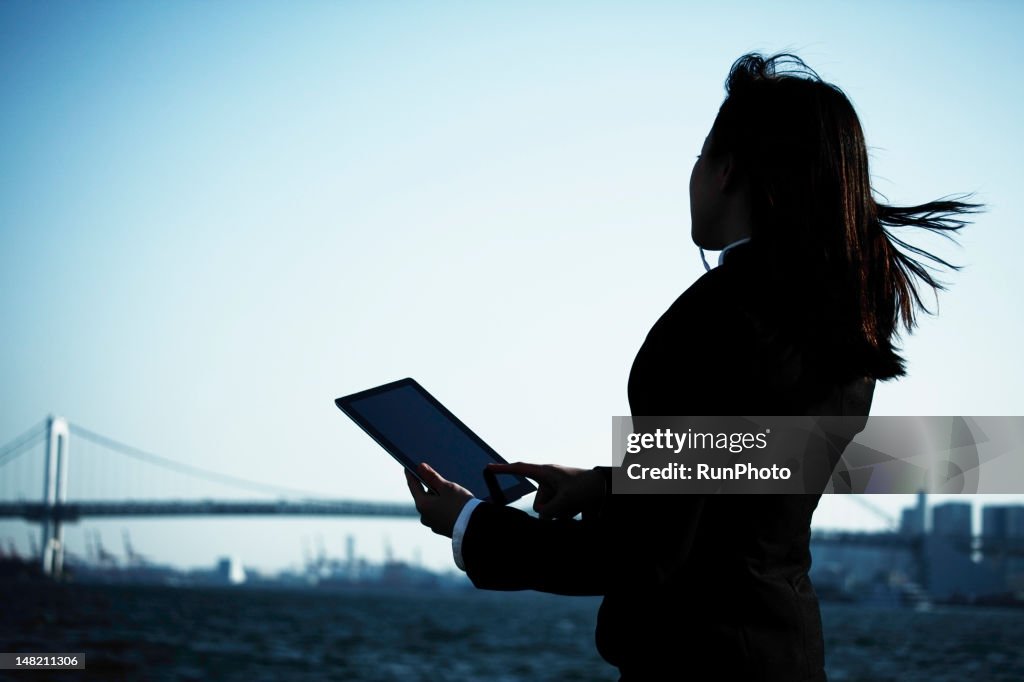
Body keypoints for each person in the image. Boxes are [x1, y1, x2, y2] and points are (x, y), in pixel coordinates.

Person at [405, 53, 980, 680]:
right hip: (784, 656)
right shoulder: (840, 331)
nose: (692, 178)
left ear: (727, 171)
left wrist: (470, 523)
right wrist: (605, 485)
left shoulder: (707, 326)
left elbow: (642, 554)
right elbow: (742, 479)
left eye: (699, 159)